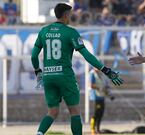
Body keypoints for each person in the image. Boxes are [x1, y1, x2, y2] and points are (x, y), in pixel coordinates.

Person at [31, 3, 123, 135]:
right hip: (65, 76)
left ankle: (39, 134)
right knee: (74, 112)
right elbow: (86, 55)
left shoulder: (44, 31)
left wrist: (38, 72)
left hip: (49, 76)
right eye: (70, 13)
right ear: (66, 15)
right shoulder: (71, 32)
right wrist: (105, 70)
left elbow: (34, 55)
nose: (71, 16)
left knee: (52, 112)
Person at [89, 67, 115, 134]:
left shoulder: (101, 74)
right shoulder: (92, 74)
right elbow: (91, 85)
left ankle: (98, 129)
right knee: (96, 113)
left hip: (102, 96)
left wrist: (107, 90)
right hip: (96, 97)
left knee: (101, 114)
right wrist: (101, 88)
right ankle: (92, 129)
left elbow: (104, 85)